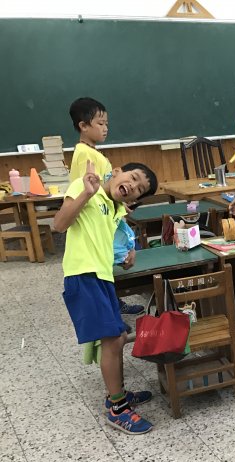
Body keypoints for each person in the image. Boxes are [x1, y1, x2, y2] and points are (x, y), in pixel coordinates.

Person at [54, 160, 159, 434]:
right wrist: (86, 193)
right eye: (133, 177)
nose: (133, 186)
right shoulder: (87, 189)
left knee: (119, 337)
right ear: (118, 171)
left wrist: (127, 254)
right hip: (83, 275)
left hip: (102, 276)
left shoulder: (114, 208)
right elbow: (59, 224)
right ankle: (118, 409)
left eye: (139, 189)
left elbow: (103, 238)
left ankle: (117, 393)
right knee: (112, 340)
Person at [68, 97, 144, 316]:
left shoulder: (93, 152)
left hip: (107, 215)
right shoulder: (85, 154)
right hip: (97, 219)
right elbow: (87, 189)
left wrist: (119, 204)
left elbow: (105, 189)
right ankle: (111, 306)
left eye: (107, 124)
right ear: (83, 126)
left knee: (110, 260)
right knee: (106, 262)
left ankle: (113, 303)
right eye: (100, 123)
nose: (105, 128)